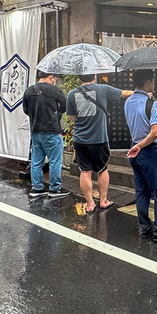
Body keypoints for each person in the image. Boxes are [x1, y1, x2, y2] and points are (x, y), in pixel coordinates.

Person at [65, 73, 133, 211]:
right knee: (102, 169)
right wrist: (145, 94)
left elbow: (72, 118)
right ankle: (103, 201)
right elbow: (126, 93)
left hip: (79, 139)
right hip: (98, 139)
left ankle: (90, 204)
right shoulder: (103, 89)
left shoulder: (71, 94)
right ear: (94, 76)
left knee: (85, 171)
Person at [124, 70, 157, 242]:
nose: (153, 84)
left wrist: (136, 145)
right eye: (152, 81)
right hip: (151, 150)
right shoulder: (151, 104)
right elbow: (155, 133)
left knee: (141, 191)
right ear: (147, 82)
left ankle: (145, 228)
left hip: (135, 149)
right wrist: (141, 146)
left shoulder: (128, 102)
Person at [22, 71, 69, 199]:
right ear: (51, 77)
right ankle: (55, 188)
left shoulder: (29, 91)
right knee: (55, 161)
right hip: (51, 130)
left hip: (35, 131)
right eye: (55, 79)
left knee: (36, 161)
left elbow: (25, 110)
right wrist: (56, 112)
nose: (55, 81)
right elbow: (65, 106)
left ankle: (37, 188)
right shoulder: (54, 90)